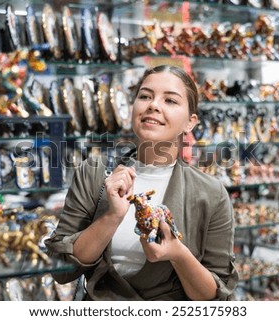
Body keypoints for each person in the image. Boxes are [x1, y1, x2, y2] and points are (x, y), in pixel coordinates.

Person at [45, 65, 238, 300]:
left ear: (190, 122)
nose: (153, 105)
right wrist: (111, 217)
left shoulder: (211, 194)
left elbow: (217, 298)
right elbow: (62, 269)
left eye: (170, 100)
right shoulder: (94, 173)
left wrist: (178, 255)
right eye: (145, 96)